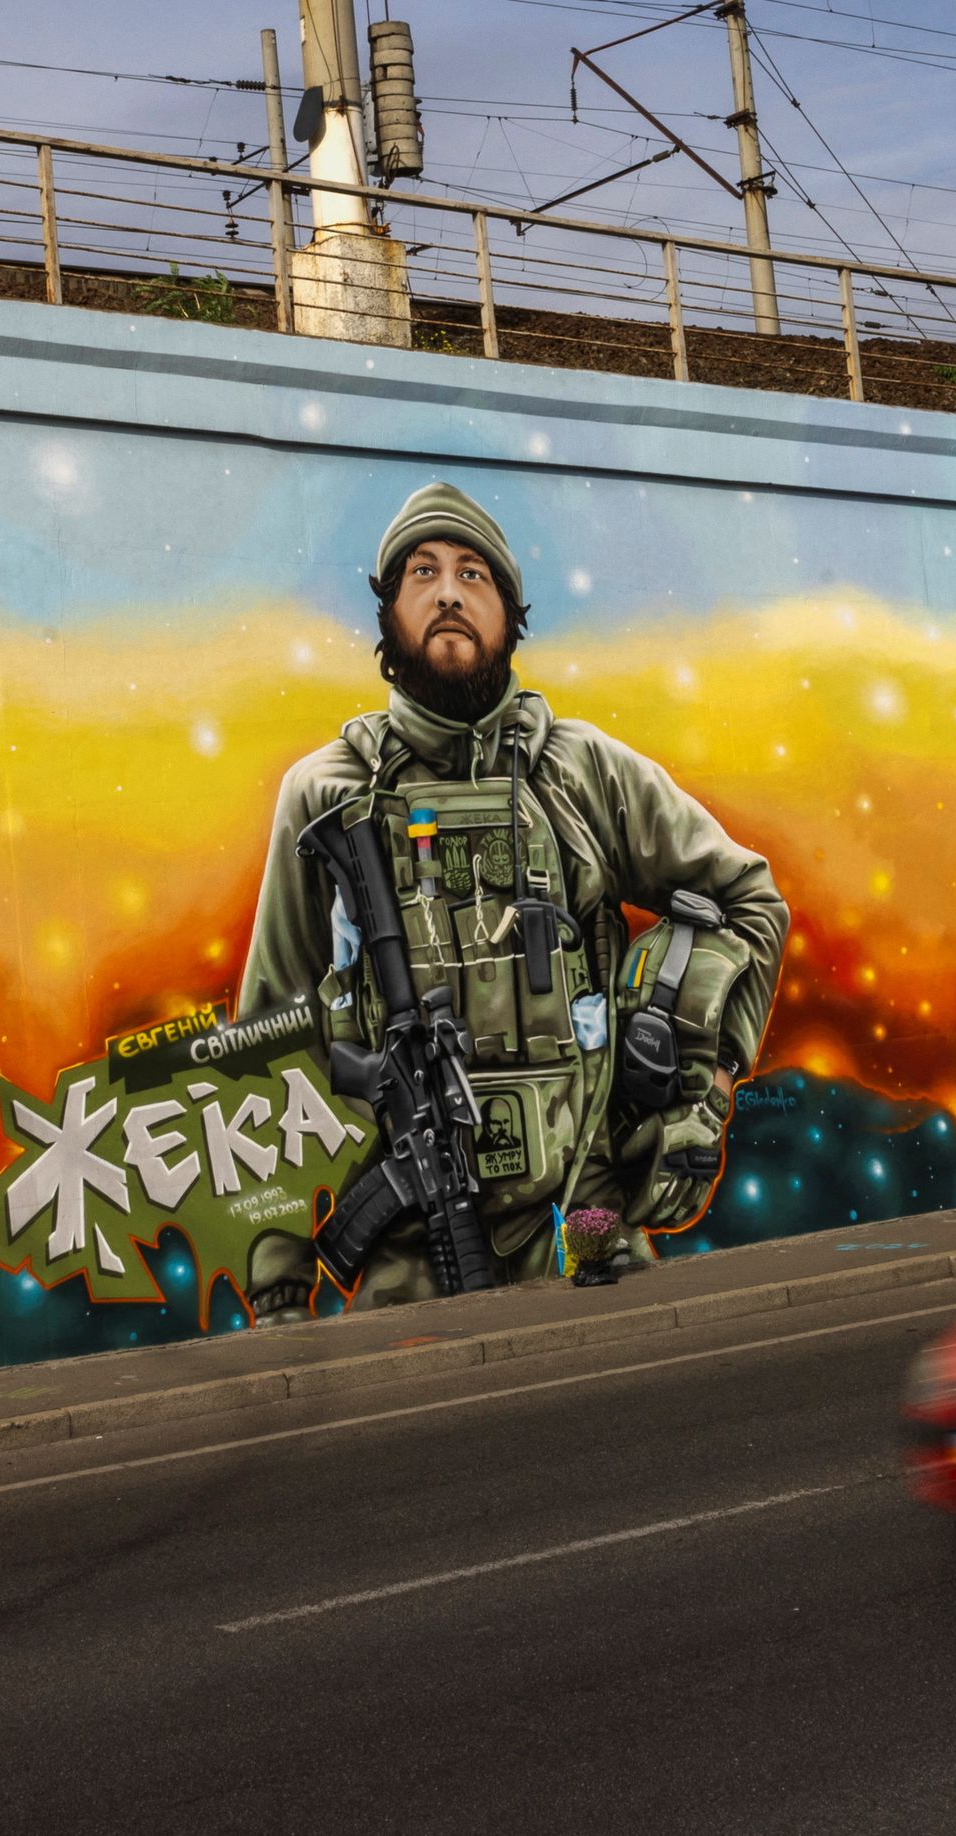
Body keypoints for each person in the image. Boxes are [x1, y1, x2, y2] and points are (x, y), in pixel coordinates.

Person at [231, 482, 788, 1312]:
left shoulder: (580, 771)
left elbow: (749, 902)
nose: (449, 591)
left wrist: (706, 1082)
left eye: (473, 573)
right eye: (422, 571)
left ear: (509, 612)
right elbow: (268, 1044)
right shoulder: (329, 795)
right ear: (388, 610)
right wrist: (276, 1282)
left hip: (587, 1220)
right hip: (405, 1252)